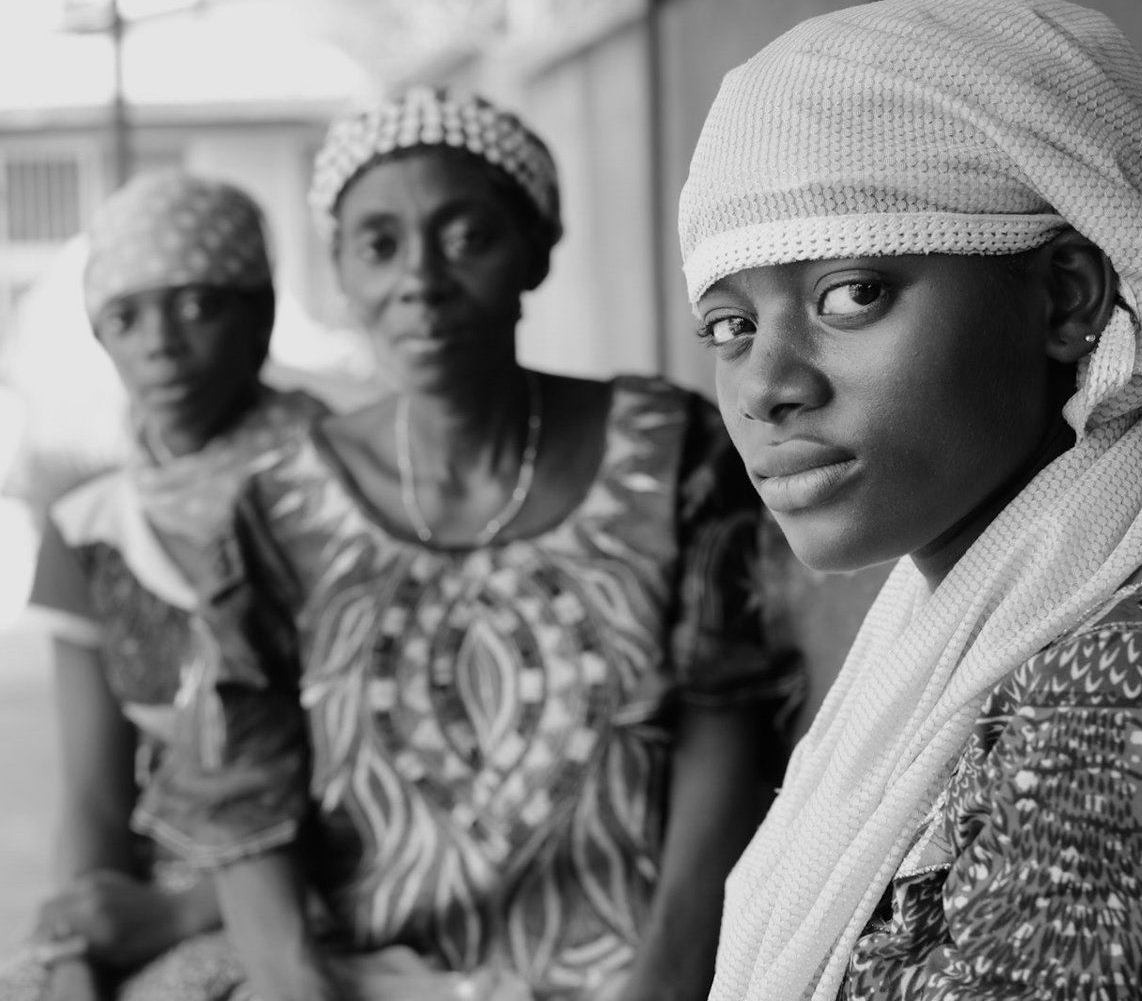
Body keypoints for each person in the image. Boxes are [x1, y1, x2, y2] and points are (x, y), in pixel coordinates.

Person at [679, 0, 1142, 1000]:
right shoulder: (994, 628)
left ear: (1067, 295)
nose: (769, 385)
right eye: (728, 328)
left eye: (853, 293)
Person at [137, 87, 797, 1001]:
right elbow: (243, 787)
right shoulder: (280, 507)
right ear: (341, 270)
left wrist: (671, 977)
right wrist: (298, 984)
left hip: (636, 965)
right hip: (370, 971)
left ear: (534, 249)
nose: (421, 280)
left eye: (466, 237)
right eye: (379, 245)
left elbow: (725, 722)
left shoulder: (670, 450)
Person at [0, 171, 327, 1001]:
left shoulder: (345, 489)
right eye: (125, 316)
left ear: (261, 316)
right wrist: (78, 946)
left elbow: (389, 772)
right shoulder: (89, 533)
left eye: (198, 305)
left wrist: (179, 916)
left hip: (332, 882)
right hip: (157, 878)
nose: (160, 343)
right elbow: (92, 799)